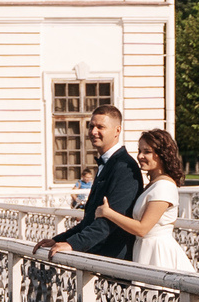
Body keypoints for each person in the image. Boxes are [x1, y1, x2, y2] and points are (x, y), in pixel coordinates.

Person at [34, 103, 142, 260]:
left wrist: (73, 244)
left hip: (114, 262)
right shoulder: (108, 164)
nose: (93, 132)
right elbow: (90, 220)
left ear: (117, 131)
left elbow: (109, 222)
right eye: (91, 126)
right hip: (98, 259)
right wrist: (58, 240)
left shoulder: (125, 168)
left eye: (100, 127)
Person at [95, 130, 192, 271]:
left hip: (158, 254)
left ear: (162, 154)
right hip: (144, 249)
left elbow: (142, 229)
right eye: (139, 150)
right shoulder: (153, 184)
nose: (140, 156)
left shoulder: (164, 186)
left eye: (147, 152)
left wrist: (108, 213)